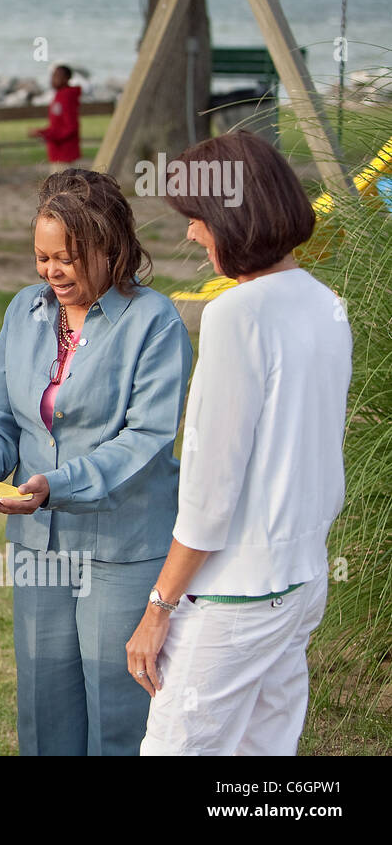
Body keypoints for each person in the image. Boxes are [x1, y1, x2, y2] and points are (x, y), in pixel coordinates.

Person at [0, 168, 192, 755]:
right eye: (42, 257)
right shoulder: (23, 313)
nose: (52, 272)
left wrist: (51, 485)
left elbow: (146, 439)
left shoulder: (155, 322)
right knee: (43, 700)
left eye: (68, 258)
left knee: (118, 703)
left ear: (111, 249)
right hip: (37, 543)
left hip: (122, 544)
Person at [127, 132, 351, 756]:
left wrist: (158, 606)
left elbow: (209, 493)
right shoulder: (325, 304)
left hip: (236, 592)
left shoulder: (237, 315)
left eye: (197, 220)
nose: (193, 235)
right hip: (302, 580)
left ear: (233, 217)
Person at [29, 64, 81, 170]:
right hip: (57, 152)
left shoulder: (66, 97)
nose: (53, 79)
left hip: (65, 152)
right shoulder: (59, 95)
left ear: (67, 78)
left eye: (57, 76)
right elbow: (57, 124)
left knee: (61, 184)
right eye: (52, 75)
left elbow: (71, 127)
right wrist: (42, 132)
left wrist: (47, 134)